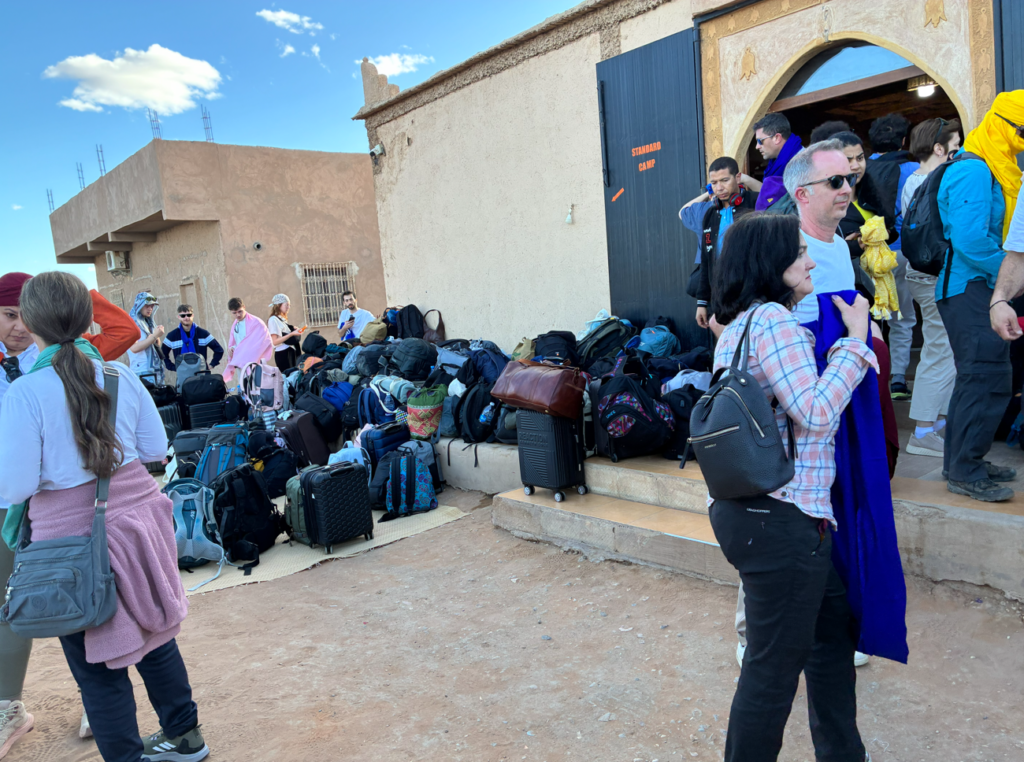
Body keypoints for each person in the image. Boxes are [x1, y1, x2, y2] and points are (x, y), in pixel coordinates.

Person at [0, 272, 208, 762]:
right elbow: (156, 449)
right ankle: (186, 738)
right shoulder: (120, 375)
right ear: (87, 319)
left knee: (96, 667)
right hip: (138, 524)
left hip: (68, 542)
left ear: (32, 322)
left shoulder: (26, 392)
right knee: (155, 635)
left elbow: (15, 488)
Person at [709, 213, 876, 762]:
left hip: (758, 514)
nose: (810, 261)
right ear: (770, 261)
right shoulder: (774, 323)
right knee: (772, 670)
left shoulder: (737, 329)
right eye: (800, 252)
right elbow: (816, 413)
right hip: (784, 519)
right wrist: (855, 343)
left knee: (831, 638)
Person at [0, 272, 137, 754]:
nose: (19, 326)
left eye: (26, 315)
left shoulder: (78, 357)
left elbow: (124, 330)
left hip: (61, 506)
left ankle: (97, 700)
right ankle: (8, 705)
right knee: (9, 602)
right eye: (9, 315)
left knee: (87, 596)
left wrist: (75, 297)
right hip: (9, 505)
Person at [936, 91, 1024, 502]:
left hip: (977, 286)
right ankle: (965, 471)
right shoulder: (974, 169)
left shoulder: (993, 167)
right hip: (969, 286)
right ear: (1002, 125)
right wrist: (1012, 273)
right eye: (1021, 131)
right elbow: (970, 240)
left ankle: (962, 460)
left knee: (979, 377)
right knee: (985, 376)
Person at [900, 118, 962, 456]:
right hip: (934, 275)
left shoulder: (913, 180)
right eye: (955, 146)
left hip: (920, 272)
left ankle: (935, 426)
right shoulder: (939, 179)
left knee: (942, 349)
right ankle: (923, 431)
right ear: (939, 148)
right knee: (939, 350)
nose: (959, 152)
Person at [866, 114, 920, 399]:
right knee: (902, 317)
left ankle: (870, 379)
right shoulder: (915, 170)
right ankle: (897, 379)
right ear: (903, 140)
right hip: (899, 251)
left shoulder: (861, 168)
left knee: (870, 317)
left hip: (866, 252)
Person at [691, 156, 759, 328]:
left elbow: (779, 196)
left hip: (754, 294)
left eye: (725, 180)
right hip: (721, 298)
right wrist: (702, 302)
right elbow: (706, 261)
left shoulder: (756, 203)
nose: (719, 188)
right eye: (714, 183)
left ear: (738, 177)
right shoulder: (710, 215)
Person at [752, 113, 802, 211]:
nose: (757, 147)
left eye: (760, 141)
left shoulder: (802, 162)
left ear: (777, 138)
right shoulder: (775, 163)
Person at [224, 296, 274, 386]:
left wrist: (243, 352)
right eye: (234, 313)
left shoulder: (256, 323)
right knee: (244, 387)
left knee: (255, 387)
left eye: (240, 311)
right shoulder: (235, 324)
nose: (237, 315)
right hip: (240, 362)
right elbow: (236, 342)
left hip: (253, 363)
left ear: (244, 307)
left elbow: (262, 342)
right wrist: (232, 348)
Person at [160, 304, 224, 373]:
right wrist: (173, 367)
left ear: (193, 315)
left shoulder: (203, 334)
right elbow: (162, 355)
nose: (186, 318)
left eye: (189, 315)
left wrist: (212, 364)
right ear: (179, 317)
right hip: (183, 375)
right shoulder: (172, 336)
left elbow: (219, 350)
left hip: (201, 374)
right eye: (183, 316)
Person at [127, 293, 166, 385]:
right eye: (147, 306)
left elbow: (155, 346)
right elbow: (133, 348)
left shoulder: (148, 323)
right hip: (141, 371)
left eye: (152, 306)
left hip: (155, 370)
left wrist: (156, 336)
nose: (150, 309)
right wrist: (153, 337)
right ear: (139, 305)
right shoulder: (131, 324)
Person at [267, 293, 304, 371]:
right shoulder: (273, 320)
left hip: (289, 352)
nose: (288, 307)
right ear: (278, 305)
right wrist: (291, 334)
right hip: (283, 354)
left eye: (289, 305)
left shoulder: (280, 318)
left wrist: (293, 329)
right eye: (286, 305)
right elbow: (274, 341)